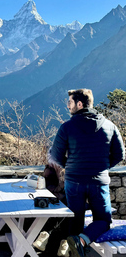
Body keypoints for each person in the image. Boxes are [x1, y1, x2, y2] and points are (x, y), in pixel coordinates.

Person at [50, 89, 125, 257]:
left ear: (79, 104)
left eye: (69, 102)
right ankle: (82, 240)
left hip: (74, 181)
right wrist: (102, 167)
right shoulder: (109, 125)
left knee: (74, 220)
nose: (67, 106)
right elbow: (120, 155)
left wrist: (70, 166)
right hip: (99, 182)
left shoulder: (67, 127)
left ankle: (72, 249)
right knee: (103, 221)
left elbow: (55, 155)